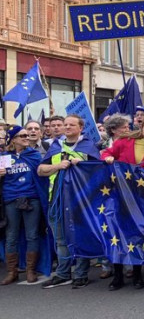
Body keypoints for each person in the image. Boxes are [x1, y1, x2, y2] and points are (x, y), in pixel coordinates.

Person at [101, 116, 144, 291]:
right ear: (142, 127)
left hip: (140, 197)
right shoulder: (125, 141)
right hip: (119, 194)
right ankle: (118, 276)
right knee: (117, 232)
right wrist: (108, 158)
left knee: (138, 234)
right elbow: (106, 153)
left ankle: (137, 274)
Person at [38, 114, 101, 289]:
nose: (67, 128)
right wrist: (57, 166)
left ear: (81, 128)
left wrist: (82, 165)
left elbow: (99, 172)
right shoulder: (56, 146)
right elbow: (41, 170)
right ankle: (63, 273)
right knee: (60, 239)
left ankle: (81, 274)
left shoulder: (89, 147)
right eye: (65, 125)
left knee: (81, 236)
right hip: (57, 200)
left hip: (81, 201)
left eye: (71, 125)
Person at [0, 126, 48, 285]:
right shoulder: (4, 157)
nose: (26, 137)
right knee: (11, 236)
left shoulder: (34, 155)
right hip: (11, 199)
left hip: (31, 198)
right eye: (22, 136)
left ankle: (30, 270)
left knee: (32, 234)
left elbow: (41, 175)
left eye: (27, 135)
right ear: (13, 139)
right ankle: (12, 271)